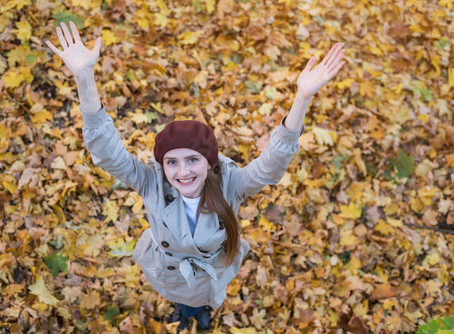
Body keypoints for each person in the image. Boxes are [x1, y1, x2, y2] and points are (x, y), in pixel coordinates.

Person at [46, 21, 346, 331]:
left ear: (210, 161)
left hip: (210, 271)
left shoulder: (231, 185)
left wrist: (303, 98)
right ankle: (183, 307)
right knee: (182, 297)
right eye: (171, 162)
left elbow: (271, 165)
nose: (182, 171)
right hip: (170, 270)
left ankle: (200, 309)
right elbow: (109, 153)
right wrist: (84, 77)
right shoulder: (152, 182)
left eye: (192, 160)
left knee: (200, 298)